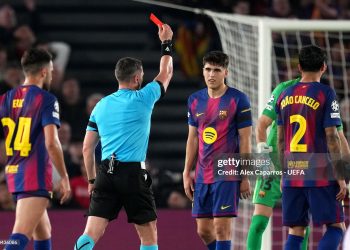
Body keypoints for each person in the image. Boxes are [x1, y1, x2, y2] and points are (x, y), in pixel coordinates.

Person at [74, 23, 173, 250]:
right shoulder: (143, 98)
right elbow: (166, 73)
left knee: (90, 233)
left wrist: (91, 180)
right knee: (148, 236)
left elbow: (87, 148)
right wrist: (166, 42)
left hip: (105, 174)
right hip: (132, 174)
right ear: (138, 78)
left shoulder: (100, 105)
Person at [247, 77, 350, 250]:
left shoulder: (321, 93)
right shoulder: (285, 89)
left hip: (302, 165)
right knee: (259, 221)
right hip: (273, 163)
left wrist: (345, 171)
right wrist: (263, 163)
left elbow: (339, 137)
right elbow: (261, 125)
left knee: (300, 227)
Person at [276, 45, 347, 250]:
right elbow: (332, 137)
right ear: (324, 67)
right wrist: (340, 176)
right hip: (320, 170)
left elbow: (280, 141)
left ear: (299, 67)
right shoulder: (326, 93)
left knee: (296, 230)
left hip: (292, 170)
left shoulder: (284, 95)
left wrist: (283, 174)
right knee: (336, 227)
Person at [0, 48, 71, 250]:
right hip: (34, 173)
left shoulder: (4, 99)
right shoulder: (46, 99)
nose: (51, 73)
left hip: (14, 171)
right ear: (43, 72)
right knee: (19, 236)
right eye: (51, 70)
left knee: (43, 232)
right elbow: (52, 142)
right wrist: (64, 177)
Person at [183, 51, 252, 250]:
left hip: (227, 169)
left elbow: (246, 139)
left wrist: (245, 176)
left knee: (222, 229)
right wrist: (187, 171)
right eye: (207, 69)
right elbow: (193, 137)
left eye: (216, 70)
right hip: (203, 172)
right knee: (203, 231)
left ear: (226, 72)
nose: (211, 74)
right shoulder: (195, 100)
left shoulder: (239, 100)